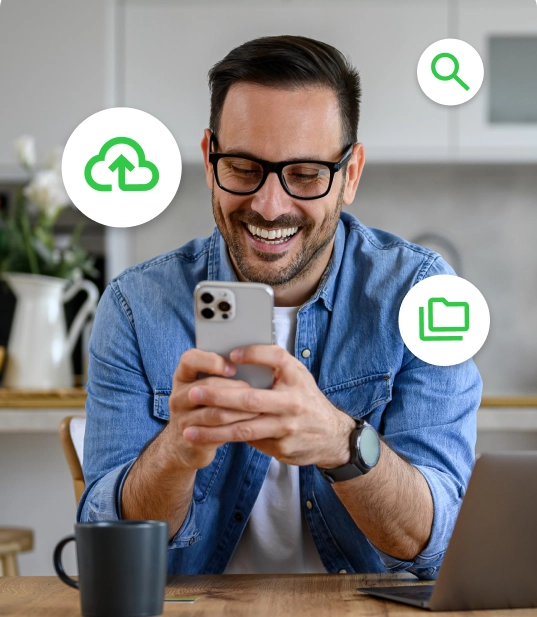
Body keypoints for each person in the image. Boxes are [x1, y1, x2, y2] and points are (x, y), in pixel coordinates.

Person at [78, 35, 482, 578]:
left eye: (306, 174)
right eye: (244, 167)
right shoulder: (136, 307)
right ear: (208, 159)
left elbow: (440, 546)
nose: (270, 206)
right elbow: (109, 557)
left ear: (351, 175)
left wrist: (342, 443)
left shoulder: (422, 297)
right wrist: (176, 452)